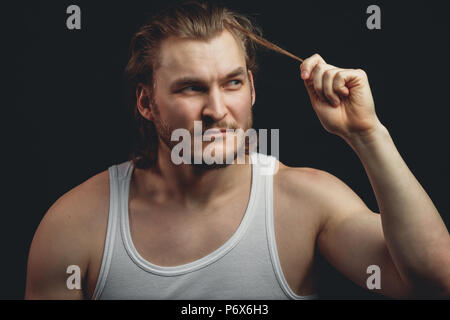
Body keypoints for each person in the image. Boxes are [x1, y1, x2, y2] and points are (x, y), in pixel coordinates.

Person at [25, 1, 450, 299]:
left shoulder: (306, 202)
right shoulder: (75, 225)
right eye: (191, 88)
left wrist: (367, 133)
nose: (216, 109)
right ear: (146, 103)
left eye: (232, 83)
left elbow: (434, 282)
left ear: (251, 87)